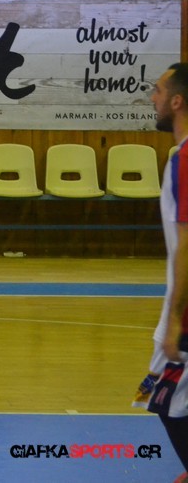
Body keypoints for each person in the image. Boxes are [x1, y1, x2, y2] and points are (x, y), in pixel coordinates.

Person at [145, 62, 188, 479]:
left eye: (158, 90)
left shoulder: (186, 158)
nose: (152, 98)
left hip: (186, 310)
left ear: (176, 101)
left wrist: (175, 319)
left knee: (165, 399)